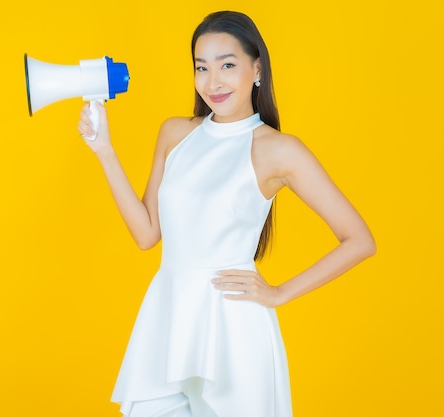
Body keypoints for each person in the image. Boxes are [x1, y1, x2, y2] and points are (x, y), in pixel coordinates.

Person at [77, 10, 375, 417]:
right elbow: (147, 235)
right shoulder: (176, 134)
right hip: (168, 318)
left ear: (257, 69)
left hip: (234, 330)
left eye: (227, 65)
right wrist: (104, 149)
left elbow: (359, 240)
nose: (212, 82)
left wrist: (280, 293)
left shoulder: (279, 150)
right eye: (201, 68)